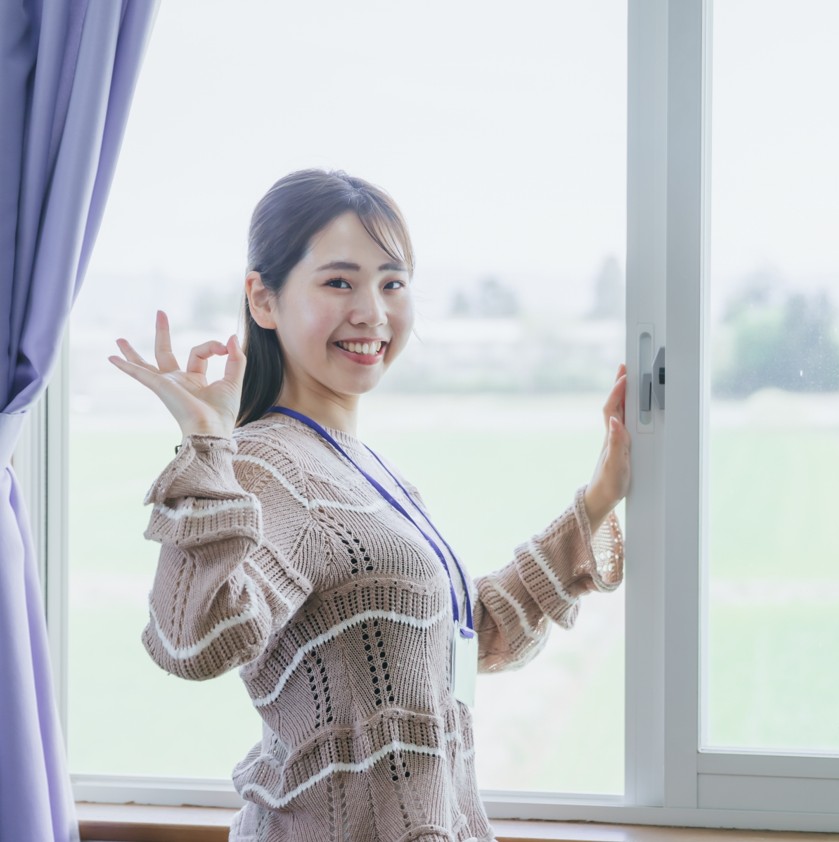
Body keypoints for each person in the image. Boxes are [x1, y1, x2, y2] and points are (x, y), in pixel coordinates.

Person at [109, 168, 629, 842]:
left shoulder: (361, 469)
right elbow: (193, 641)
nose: (371, 313)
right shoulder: (269, 466)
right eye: (338, 282)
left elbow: (466, 637)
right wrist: (207, 444)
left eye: (392, 282)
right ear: (262, 300)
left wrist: (598, 497)